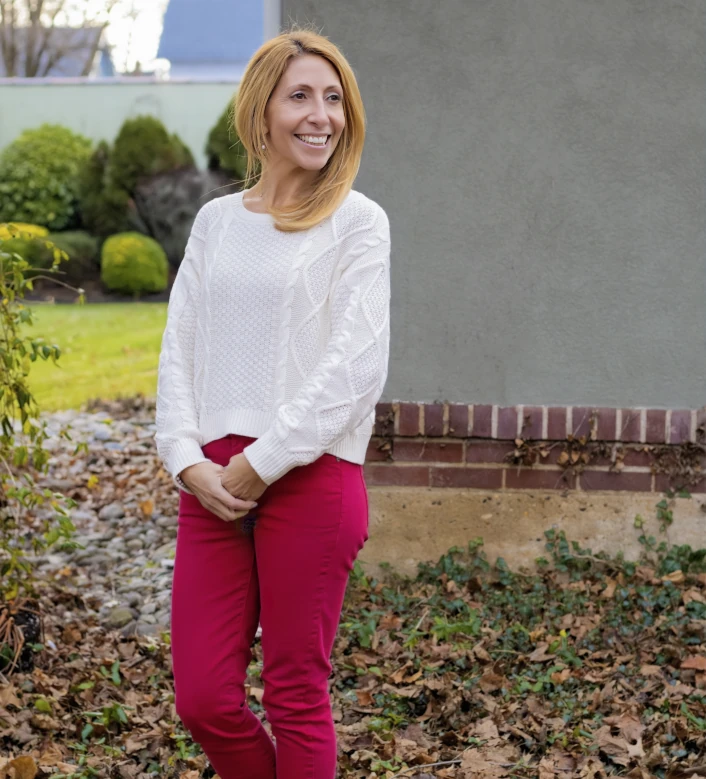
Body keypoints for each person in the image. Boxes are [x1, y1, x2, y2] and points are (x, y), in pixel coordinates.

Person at [153, 25, 391, 779]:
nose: (322, 114)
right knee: (203, 696)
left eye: (333, 98)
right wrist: (186, 460)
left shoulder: (359, 222)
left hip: (310, 476)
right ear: (262, 115)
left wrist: (263, 461)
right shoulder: (217, 223)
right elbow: (178, 348)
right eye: (300, 97)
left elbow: (355, 366)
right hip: (213, 483)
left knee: (294, 693)